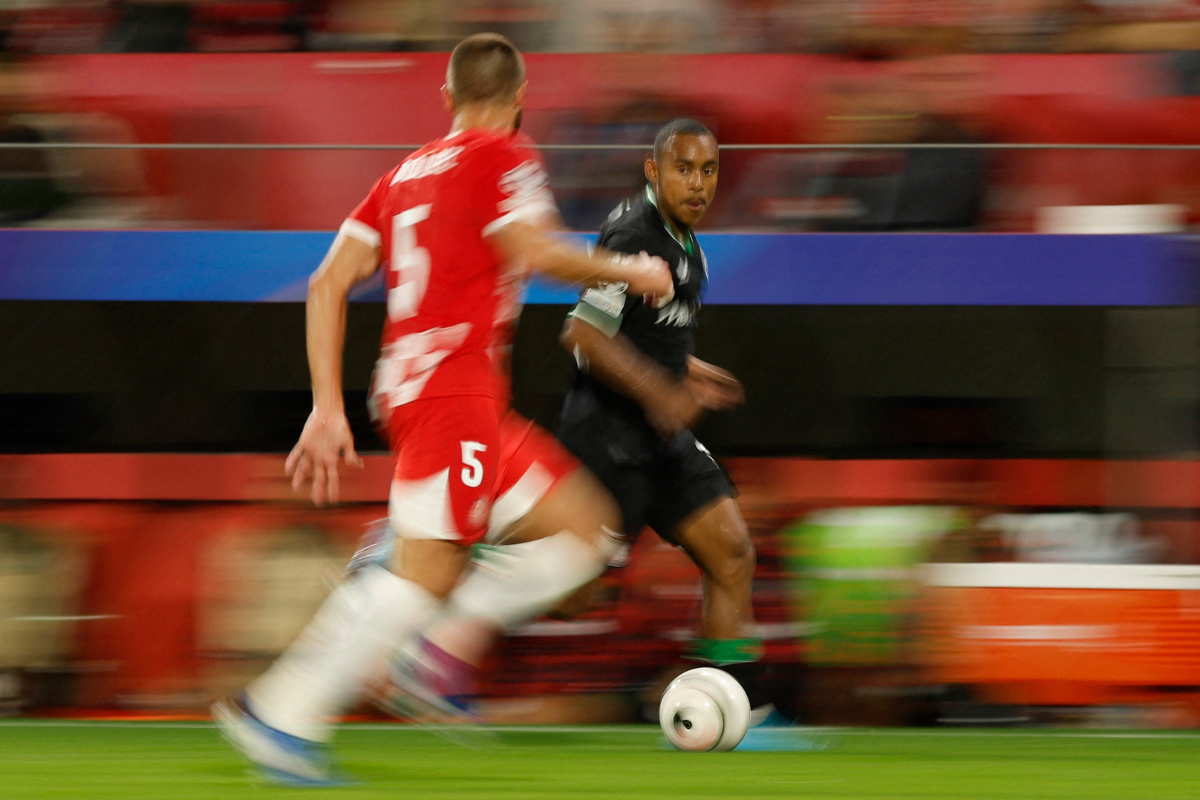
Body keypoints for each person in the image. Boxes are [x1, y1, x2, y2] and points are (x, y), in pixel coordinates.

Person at [212, 32, 672, 786]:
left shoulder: (399, 176)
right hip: (452, 394)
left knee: (586, 534)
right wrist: (634, 270)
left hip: (439, 393)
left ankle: (435, 639)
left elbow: (328, 283)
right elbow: (539, 250)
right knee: (423, 573)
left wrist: (327, 405)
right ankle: (281, 710)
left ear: (447, 98)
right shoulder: (506, 157)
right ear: (521, 98)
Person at [401, 119, 768, 727]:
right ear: (654, 171)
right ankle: (428, 558)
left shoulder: (687, 242)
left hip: (661, 441)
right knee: (575, 597)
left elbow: (647, 335)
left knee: (732, 553)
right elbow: (585, 334)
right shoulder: (632, 234)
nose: (697, 184)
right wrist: (658, 390)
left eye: (707, 171)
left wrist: (688, 370)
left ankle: (737, 715)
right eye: (683, 169)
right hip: (608, 436)